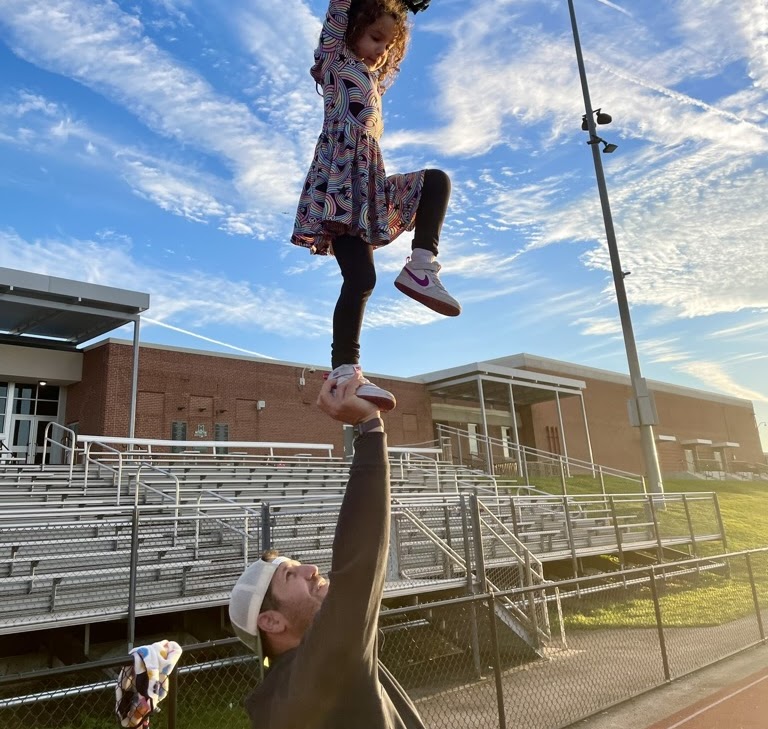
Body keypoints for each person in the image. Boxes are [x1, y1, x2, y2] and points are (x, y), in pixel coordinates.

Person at [229, 373, 427, 728]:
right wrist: (368, 426)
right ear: (271, 621)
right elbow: (358, 562)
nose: (312, 570)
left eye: (298, 565)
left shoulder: (286, 698)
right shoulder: (313, 678)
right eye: (291, 575)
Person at [291, 0, 461, 411]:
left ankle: (421, 265)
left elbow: (392, 53)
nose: (379, 50)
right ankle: (346, 369)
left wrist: (399, 7)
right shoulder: (335, 59)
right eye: (374, 38)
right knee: (361, 279)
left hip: (369, 187)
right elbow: (339, 9)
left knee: (435, 182)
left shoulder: (373, 77)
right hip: (339, 188)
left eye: (388, 45)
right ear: (352, 30)